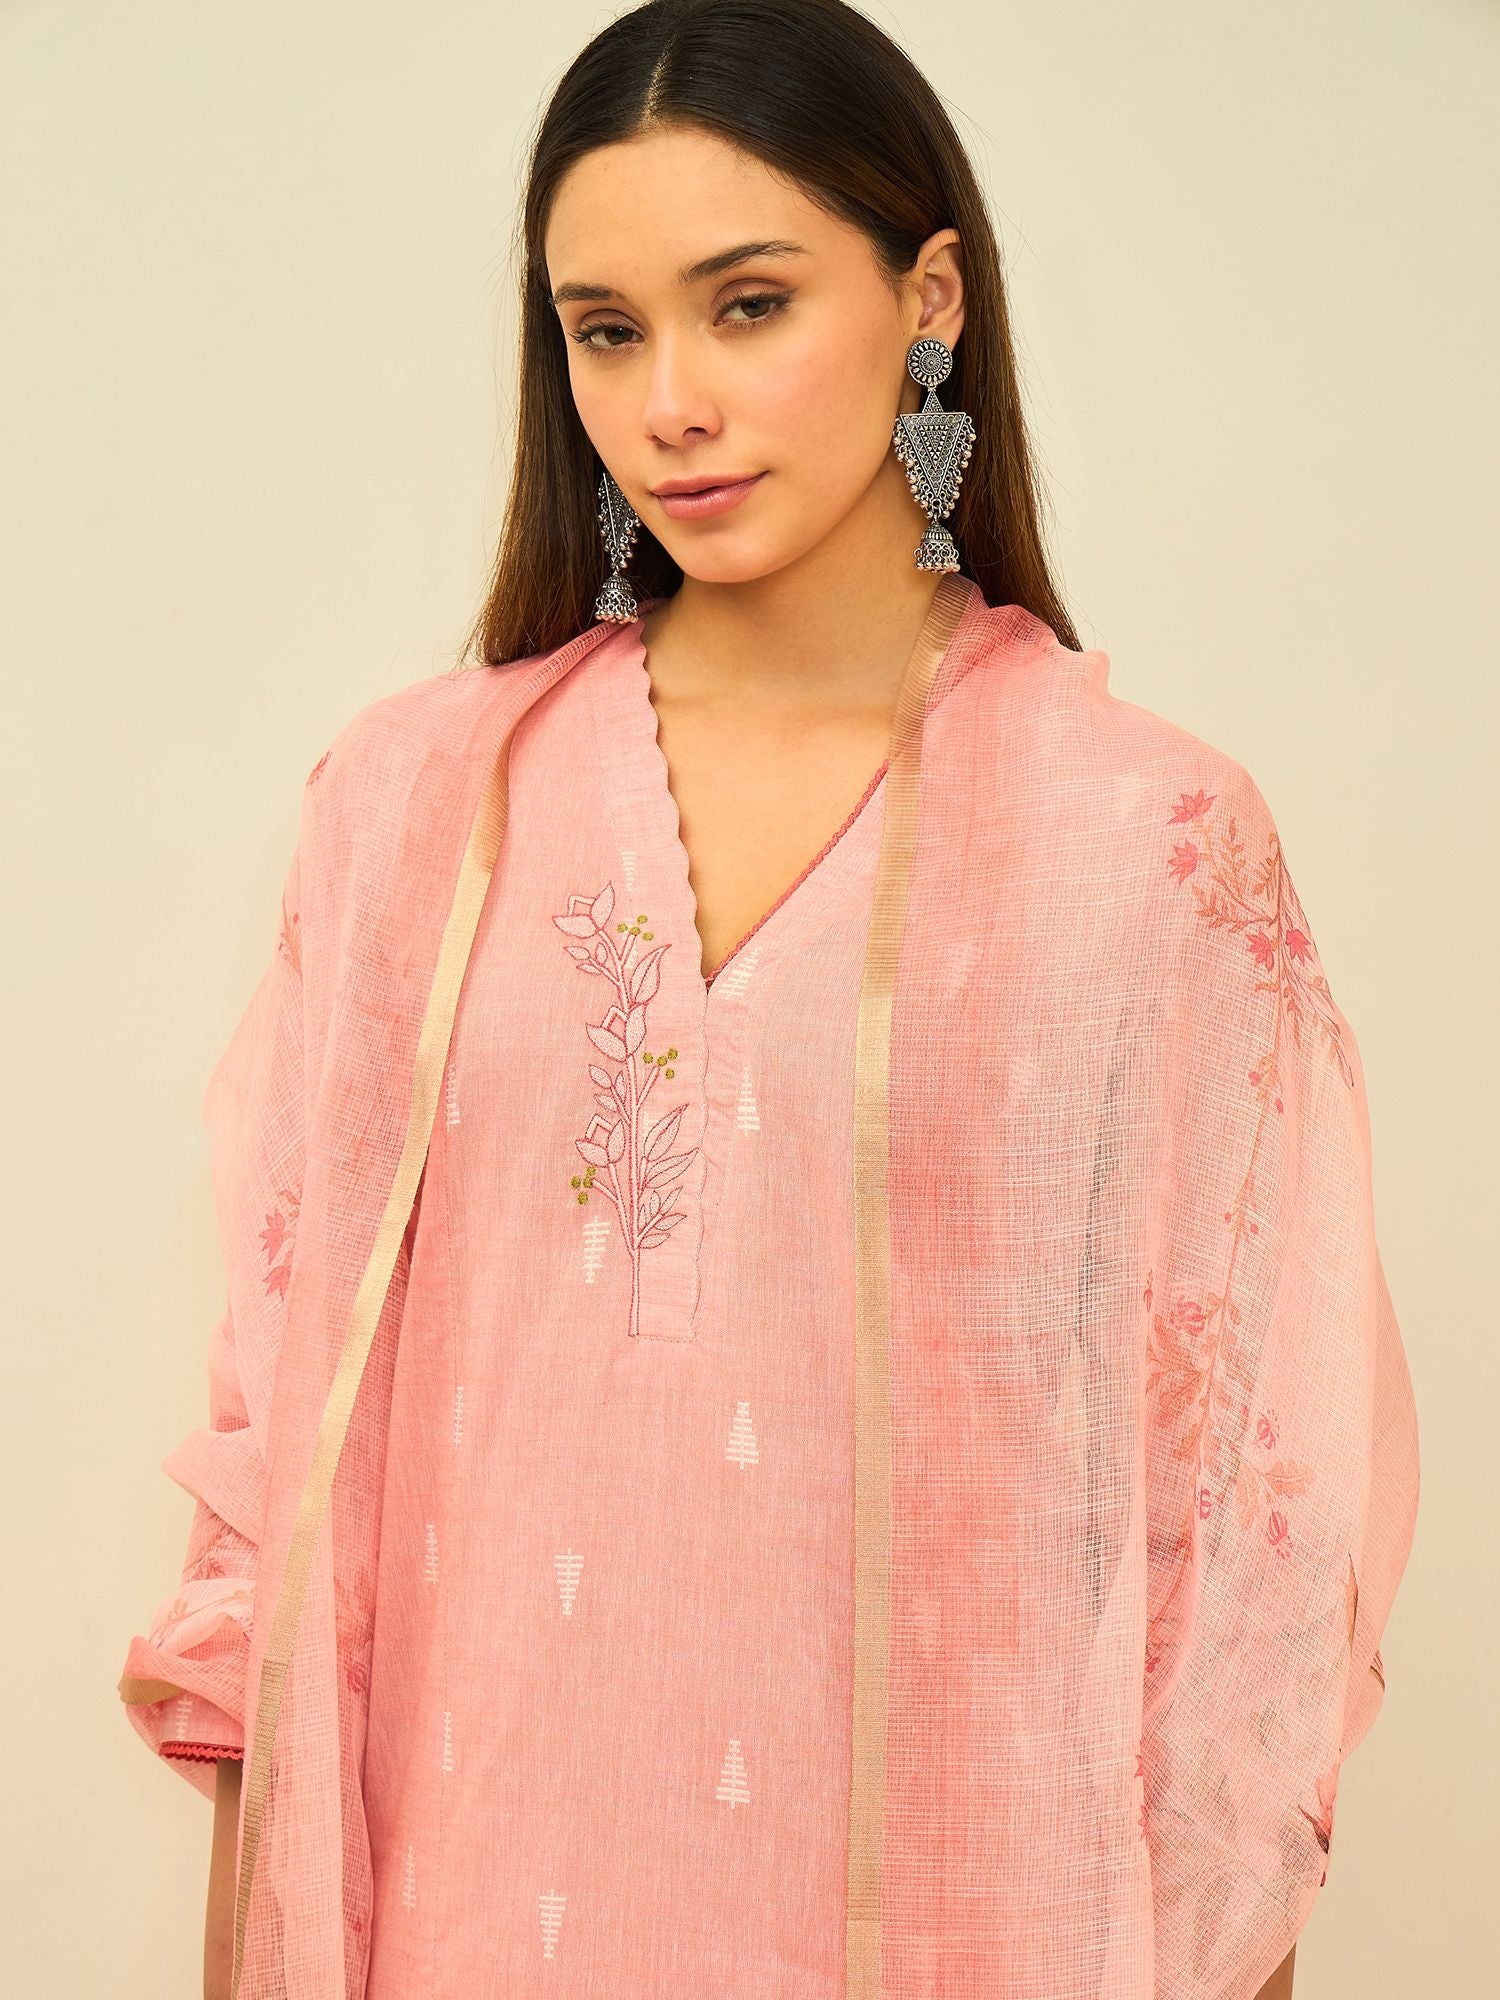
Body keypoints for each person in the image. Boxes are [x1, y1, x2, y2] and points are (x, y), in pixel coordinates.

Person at [116, 4, 1420, 1997]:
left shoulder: (1143, 846)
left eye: (748, 306)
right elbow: (280, 1466)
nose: (670, 405)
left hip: (970, 1919)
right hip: (472, 1908)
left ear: (929, 301)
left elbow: (1240, 1544)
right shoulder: (415, 808)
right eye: (604, 329)